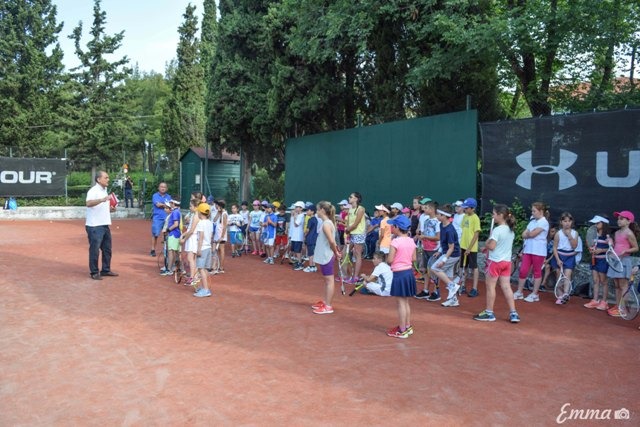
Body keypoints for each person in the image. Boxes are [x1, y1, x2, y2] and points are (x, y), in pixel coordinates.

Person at [473, 204, 520, 323]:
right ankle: (513, 313)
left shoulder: (497, 230)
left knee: (490, 287)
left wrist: (487, 244)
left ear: (500, 215)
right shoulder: (511, 230)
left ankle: (489, 313)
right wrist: (487, 247)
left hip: (495, 262)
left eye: (494, 214)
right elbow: (499, 246)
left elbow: (492, 246)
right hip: (506, 262)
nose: (493, 216)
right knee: (506, 287)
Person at [386, 214, 417, 338]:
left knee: (400, 303)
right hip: (409, 273)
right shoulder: (411, 240)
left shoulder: (395, 241)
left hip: (399, 274)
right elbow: (414, 258)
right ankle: (407, 326)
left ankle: (402, 330)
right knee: (405, 301)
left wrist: (394, 260)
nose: (391, 227)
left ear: (397, 227)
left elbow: (389, 260)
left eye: (393, 225)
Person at [513, 202, 550, 301]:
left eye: (534, 211)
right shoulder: (532, 222)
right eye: (532, 211)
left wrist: (529, 233)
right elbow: (523, 234)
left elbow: (532, 234)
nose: (532, 213)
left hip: (539, 251)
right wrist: (529, 233)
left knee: (537, 272)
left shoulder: (544, 222)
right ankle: (519, 292)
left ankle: (534, 294)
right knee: (523, 270)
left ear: (541, 211)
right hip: (528, 250)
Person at [85, 171, 118, 280]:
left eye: (108, 177)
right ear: (99, 179)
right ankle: (94, 272)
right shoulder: (93, 190)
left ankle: (105, 269)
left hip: (104, 224)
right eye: (106, 178)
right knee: (95, 250)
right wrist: (102, 200)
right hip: (94, 225)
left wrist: (111, 209)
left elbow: (102, 208)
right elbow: (88, 203)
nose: (108, 179)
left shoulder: (104, 190)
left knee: (107, 249)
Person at [606, 210, 639, 317]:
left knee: (623, 285)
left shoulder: (629, 233)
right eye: (618, 219)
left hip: (624, 261)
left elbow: (636, 248)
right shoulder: (616, 233)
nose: (619, 221)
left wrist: (626, 251)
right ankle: (618, 306)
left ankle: (623, 309)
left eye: (622, 219)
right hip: (615, 261)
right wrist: (610, 243)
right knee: (617, 285)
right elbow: (616, 246)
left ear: (628, 221)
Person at [311, 201, 341, 314]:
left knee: (329, 281)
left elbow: (332, 241)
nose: (316, 211)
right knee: (327, 280)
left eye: (318, 209)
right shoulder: (326, 223)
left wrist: (336, 252)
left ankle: (328, 306)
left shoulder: (326, 224)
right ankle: (325, 302)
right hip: (325, 255)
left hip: (327, 256)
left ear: (322, 210)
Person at [430, 204, 462, 306]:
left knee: (435, 268)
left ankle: (452, 286)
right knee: (449, 276)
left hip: (452, 255)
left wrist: (443, 260)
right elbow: (443, 242)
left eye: (438, 214)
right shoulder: (441, 225)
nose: (436, 216)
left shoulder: (450, 230)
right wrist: (440, 251)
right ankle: (453, 300)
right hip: (447, 253)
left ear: (444, 216)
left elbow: (451, 248)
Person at [550, 212, 581, 305]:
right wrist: (558, 260)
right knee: (559, 275)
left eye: (569, 221)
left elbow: (574, 246)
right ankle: (560, 295)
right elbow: (554, 248)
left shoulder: (575, 233)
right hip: (559, 256)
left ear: (572, 222)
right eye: (565, 221)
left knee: (567, 276)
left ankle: (566, 294)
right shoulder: (558, 234)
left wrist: (569, 235)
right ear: (561, 222)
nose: (567, 223)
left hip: (570, 257)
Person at [584, 215, 611, 311]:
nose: (595, 224)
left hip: (603, 260)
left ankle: (604, 302)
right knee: (595, 280)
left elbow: (611, 249)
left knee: (603, 281)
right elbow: (591, 245)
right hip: (594, 259)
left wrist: (601, 250)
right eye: (595, 223)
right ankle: (595, 300)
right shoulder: (594, 234)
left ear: (603, 223)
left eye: (598, 223)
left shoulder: (607, 236)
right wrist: (591, 249)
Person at [415, 200, 440, 299]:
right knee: (425, 270)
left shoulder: (437, 222)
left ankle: (436, 292)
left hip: (434, 249)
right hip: (425, 248)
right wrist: (421, 238)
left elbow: (438, 237)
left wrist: (425, 237)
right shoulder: (426, 220)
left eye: (426, 208)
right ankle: (425, 290)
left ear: (432, 209)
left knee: (434, 271)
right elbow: (424, 234)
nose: (423, 209)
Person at [459, 197, 481, 297]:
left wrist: (469, 248)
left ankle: (474, 288)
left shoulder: (475, 218)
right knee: (463, 266)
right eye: (464, 208)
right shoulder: (465, 216)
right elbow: (463, 230)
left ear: (473, 208)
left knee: (474, 267)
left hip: (472, 248)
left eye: (467, 208)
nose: (465, 209)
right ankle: (462, 285)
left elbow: (476, 235)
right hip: (463, 246)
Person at [345, 192, 366, 284]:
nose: (349, 198)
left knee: (357, 254)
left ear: (356, 199)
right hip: (351, 234)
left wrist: (347, 230)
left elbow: (356, 224)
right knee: (345, 253)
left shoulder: (361, 209)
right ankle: (349, 275)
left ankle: (355, 277)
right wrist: (347, 232)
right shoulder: (350, 209)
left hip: (358, 234)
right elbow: (348, 223)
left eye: (351, 197)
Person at [194, 203, 213, 298]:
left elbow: (201, 237)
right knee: (204, 269)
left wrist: (198, 249)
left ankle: (205, 290)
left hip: (203, 248)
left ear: (200, 212)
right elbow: (210, 236)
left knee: (201, 269)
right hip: (208, 247)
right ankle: (205, 287)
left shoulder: (201, 223)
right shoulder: (210, 222)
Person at [180, 199, 200, 285]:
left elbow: (192, 231)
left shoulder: (196, 216)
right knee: (192, 259)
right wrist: (183, 235)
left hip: (193, 238)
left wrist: (184, 239)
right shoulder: (194, 215)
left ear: (196, 207)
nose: (190, 208)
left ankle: (192, 277)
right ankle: (194, 277)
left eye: (191, 206)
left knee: (190, 258)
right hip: (191, 238)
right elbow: (189, 230)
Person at [161, 199, 182, 276]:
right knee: (176, 252)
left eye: (170, 202)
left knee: (171, 252)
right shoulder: (176, 211)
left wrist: (168, 230)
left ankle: (169, 269)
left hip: (173, 234)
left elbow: (176, 224)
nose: (169, 204)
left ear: (173, 203)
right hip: (174, 234)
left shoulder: (175, 212)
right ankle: (179, 268)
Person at [150, 182, 171, 257]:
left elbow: (170, 206)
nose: (163, 188)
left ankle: (166, 250)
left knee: (167, 234)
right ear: (158, 188)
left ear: (166, 188)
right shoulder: (155, 195)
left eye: (164, 187)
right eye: (161, 187)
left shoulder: (169, 196)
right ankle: (153, 249)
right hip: (157, 218)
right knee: (155, 234)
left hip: (167, 217)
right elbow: (158, 205)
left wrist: (163, 204)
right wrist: (165, 205)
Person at [212, 200, 228, 273]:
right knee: (215, 250)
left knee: (221, 250)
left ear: (220, 206)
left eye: (217, 205)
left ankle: (221, 267)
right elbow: (214, 219)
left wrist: (222, 237)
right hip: (217, 234)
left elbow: (225, 226)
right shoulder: (220, 213)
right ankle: (215, 266)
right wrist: (218, 212)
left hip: (221, 235)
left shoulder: (224, 214)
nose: (216, 206)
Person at [289, 201, 306, 270]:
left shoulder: (301, 216)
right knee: (295, 251)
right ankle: (298, 261)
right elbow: (292, 226)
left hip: (298, 237)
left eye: (297, 207)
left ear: (301, 208)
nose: (295, 208)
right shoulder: (296, 215)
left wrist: (295, 217)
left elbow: (296, 224)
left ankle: (300, 263)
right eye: (295, 207)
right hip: (294, 236)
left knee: (298, 251)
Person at [303, 204, 319, 272]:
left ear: (312, 212)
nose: (307, 211)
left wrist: (304, 235)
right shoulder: (315, 219)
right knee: (312, 253)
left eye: (308, 210)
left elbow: (307, 230)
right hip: (314, 238)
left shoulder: (310, 219)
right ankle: (313, 266)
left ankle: (311, 266)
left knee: (310, 253)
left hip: (310, 238)